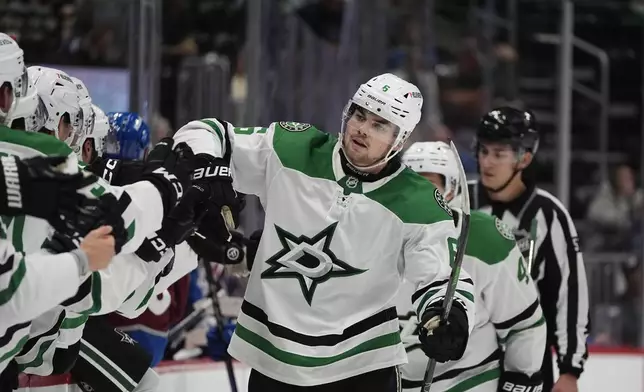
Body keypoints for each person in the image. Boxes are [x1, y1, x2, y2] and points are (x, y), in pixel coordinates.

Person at [172, 73, 476, 391]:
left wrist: (448, 316)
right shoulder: (292, 149)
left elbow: (441, 277)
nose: (362, 129)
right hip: (277, 360)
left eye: (379, 125)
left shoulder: (419, 202)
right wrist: (206, 167)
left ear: (399, 140)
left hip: (363, 366)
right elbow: (208, 133)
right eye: (360, 115)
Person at [397, 141, 546, 391]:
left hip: (468, 380)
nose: (418, 196)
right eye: (410, 185)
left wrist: (522, 377)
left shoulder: (486, 240)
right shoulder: (374, 231)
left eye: (430, 186)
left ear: (452, 189)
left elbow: (524, 323)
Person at [467, 107, 590, 392]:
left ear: (524, 157)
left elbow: (569, 295)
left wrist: (570, 369)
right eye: (483, 151)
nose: (487, 162)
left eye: (499, 154)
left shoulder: (548, 214)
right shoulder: (460, 200)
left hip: (526, 362)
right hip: (461, 359)